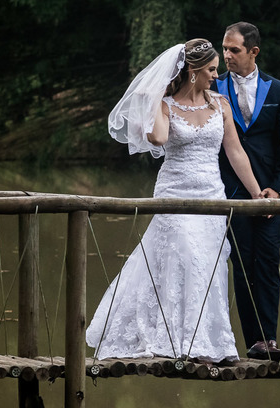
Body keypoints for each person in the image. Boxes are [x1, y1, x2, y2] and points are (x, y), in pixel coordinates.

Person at [87, 38, 264, 364]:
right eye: (211, 69)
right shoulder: (167, 105)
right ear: (193, 72)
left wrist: (256, 193)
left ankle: (212, 345)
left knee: (210, 266)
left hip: (212, 195)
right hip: (175, 194)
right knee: (186, 254)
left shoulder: (220, 104)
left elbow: (235, 151)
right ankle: (177, 341)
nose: (216, 74)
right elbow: (158, 138)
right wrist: (154, 99)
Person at [216, 22, 280, 363]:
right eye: (224, 49)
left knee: (268, 262)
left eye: (234, 50)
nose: (226, 56)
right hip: (231, 193)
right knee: (242, 265)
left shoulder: (279, 91)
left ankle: (270, 339)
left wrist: (277, 190)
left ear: (253, 51)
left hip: (270, 194)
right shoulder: (214, 88)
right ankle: (255, 341)